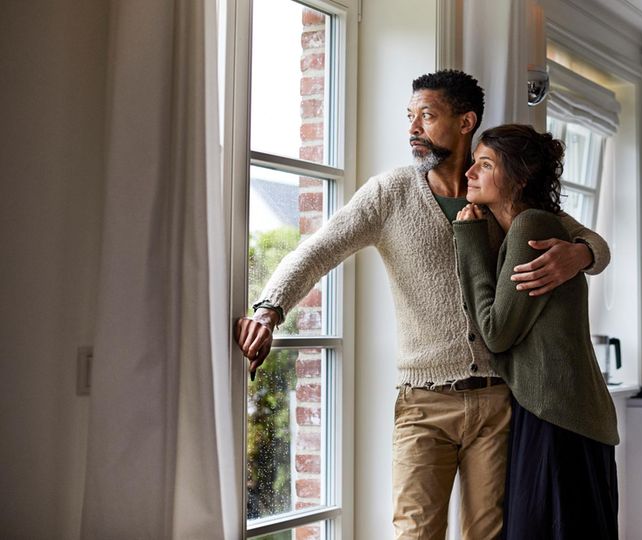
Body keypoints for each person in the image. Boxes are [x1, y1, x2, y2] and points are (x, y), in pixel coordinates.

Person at [234, 70, 610, 540]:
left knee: (486, 536)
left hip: (498, 401)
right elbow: (317, 250)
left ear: (465, 121)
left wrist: (582, 254)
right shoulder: (390, 194)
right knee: (416, 533)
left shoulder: (496, 189)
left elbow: (591, 239)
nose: (413, 128)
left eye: (427, 116)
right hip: (423, 403)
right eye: (410, 116)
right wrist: (269, 309)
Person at [453, 124, 619, 539]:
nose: (470, 173)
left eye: (485, 164)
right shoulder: (532, 224)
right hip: (559, 411)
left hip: (556, 416)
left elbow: (495, 333)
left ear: (520, 178)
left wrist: (470, 239)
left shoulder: (531, 226)